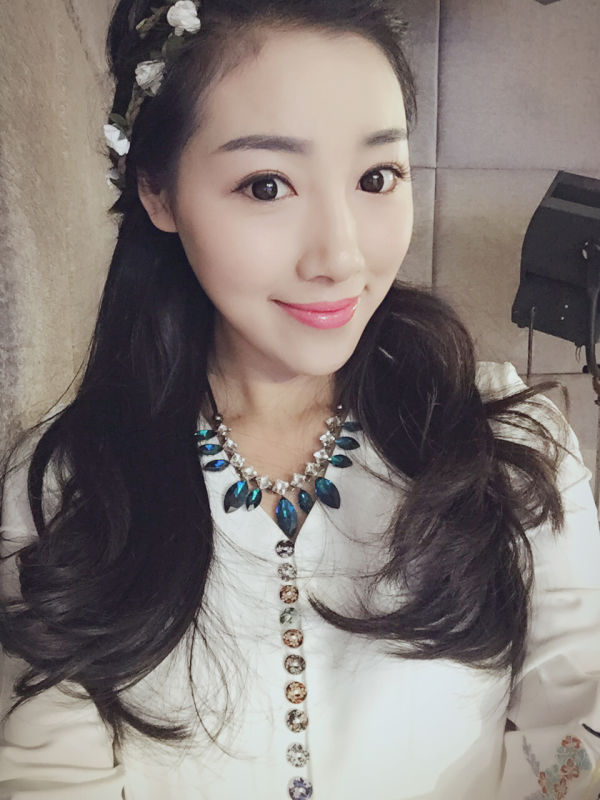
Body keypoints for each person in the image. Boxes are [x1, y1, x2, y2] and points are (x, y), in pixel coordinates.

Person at [1, 1, 599, 798]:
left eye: (376, 178)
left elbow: (578, 722)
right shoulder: (69, 486)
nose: (341, 255)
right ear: (158, 191)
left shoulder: (507, 445)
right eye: (267, 185)